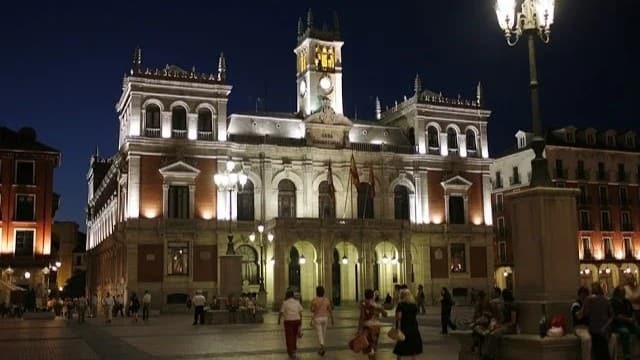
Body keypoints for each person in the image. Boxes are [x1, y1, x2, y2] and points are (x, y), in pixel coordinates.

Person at [482, 289, 517, 360]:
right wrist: (497, 324)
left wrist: (501, 325)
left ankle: (488, 356)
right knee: (488, 333)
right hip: (503, 326)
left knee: (494, 334)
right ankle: (487, 354)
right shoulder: (505, 305)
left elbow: (513, 321)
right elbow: (502, 319)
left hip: (510, 327)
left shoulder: (513, 306)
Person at [583, 282, 612, 360]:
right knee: (604, 350)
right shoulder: (606, 300)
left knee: (597, 350)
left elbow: (585, 314)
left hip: (595, 328)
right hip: (603, 328)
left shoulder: (589, 300)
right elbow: (611, 316)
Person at [358, 288, 388, 360]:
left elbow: (361, 317)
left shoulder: (364, 305)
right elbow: (385, 314)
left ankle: (372, 358)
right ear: (373, 295)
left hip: (368, 328)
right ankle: (373, 357)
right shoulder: (377, 305)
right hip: (376, 328)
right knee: (374, 346)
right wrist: (380, 310)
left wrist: (359, 329)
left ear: (365, 296)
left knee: (369, 347)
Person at [393, 289, 423, 359]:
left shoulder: (401, 305)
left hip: (405, 327)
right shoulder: (414, 305)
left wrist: (398, 328)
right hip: (414, 327)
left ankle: (399, 359)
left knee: (400, 346)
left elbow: (399, 317)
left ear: (401, 296)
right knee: (413, 346)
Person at [611, 285, 639, 360]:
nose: (624, 293)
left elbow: (632, 311)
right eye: (622, 292)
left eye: (624, 292)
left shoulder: (626, 301)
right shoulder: (612, 302)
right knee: (625, 332)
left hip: (629, 323)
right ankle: (627, 355)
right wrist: (628, 319)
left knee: (638, 329)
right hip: (617, 325)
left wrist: (633, 319)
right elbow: (616, 316)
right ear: (617, 293)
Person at [278, 290, 303, 360]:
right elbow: (300, 312)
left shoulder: (285, 303)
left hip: (288, 321)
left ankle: (291, 351)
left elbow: (281, 312)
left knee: (289, 337)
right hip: (296, 320)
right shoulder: (297, 302)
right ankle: (294, 350)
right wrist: (300, 322)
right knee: (294, 336)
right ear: (292, 295)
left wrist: (279, 320)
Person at [311, 286, 334, 356]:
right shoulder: (326, 300)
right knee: (323, 333)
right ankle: (321, 348)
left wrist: (314, 309)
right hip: (325, 318)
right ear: (323, 292)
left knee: (319, 333)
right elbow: (330, 310)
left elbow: (311, 310)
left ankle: (322, 346)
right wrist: (332, 319)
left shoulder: (314, 300)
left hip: (317, 318)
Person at [571, 286, 591, 360]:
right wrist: (585, 305)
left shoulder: (590, 304)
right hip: (579, 328)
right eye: (583, 295)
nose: (584, 297)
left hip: (590, 327)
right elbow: (579, 317)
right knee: (587, 339)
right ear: (579, 295)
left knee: (611, 337)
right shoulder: (576, 305)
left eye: (586, 295)